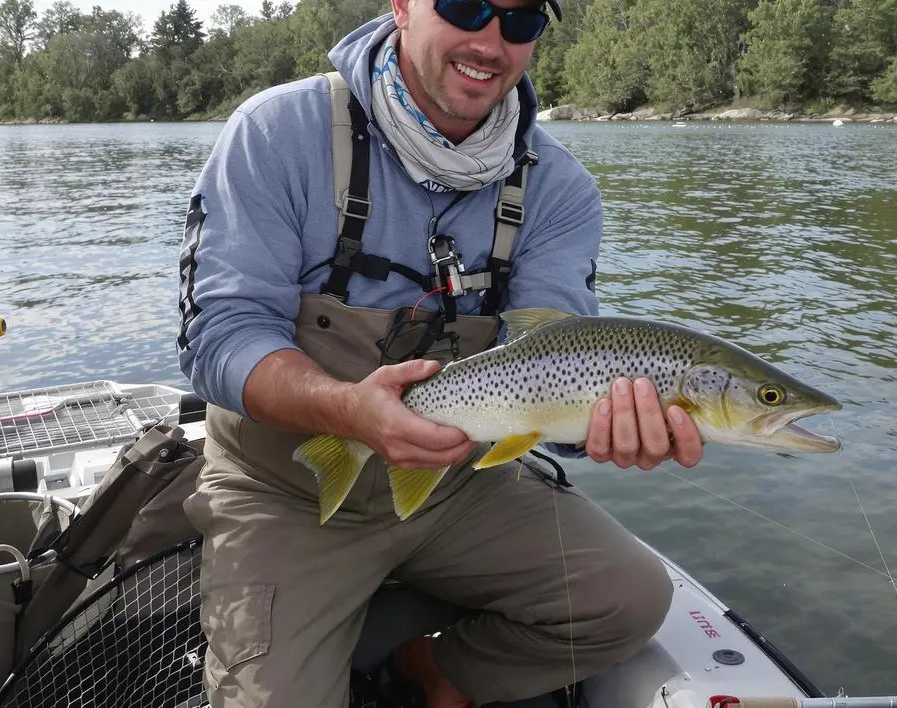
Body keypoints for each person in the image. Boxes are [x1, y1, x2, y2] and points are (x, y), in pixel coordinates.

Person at [175, 0, 705, 704]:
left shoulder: (561, 190)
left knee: (630, 600)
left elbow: (561, 352)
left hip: (461, 486)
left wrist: (600, 430)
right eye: (464, 6)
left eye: (521, 22)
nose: (491, 40)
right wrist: (348, 413)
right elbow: (217, 336)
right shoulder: (276, 133)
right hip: (285, 491)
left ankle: (439, 671)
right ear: (400, 5)